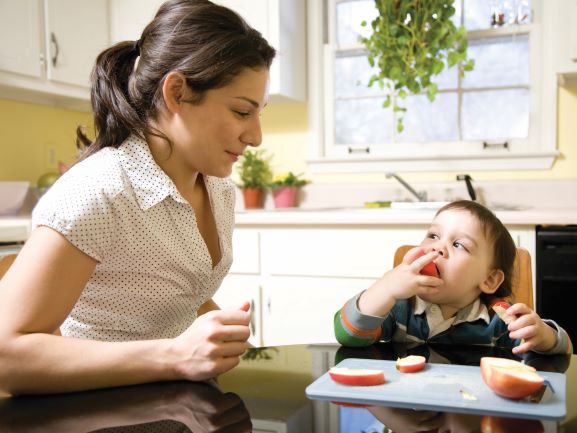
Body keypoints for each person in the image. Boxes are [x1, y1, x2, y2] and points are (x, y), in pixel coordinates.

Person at [0, 0, 275, 395]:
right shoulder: (99, 190)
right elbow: (6, 357)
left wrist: (230, 346)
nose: (256, 137)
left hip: (176, 403)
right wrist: (176, 356)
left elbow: (175, 299)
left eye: (258, 114)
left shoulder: (216, 189)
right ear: (177, 92)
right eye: (241, 112)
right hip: (98, 411)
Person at [334, 200, 572, 355]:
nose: (438, 248)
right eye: (433, 235)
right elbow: (348, 336)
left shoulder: (498, 321)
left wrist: (545, 336)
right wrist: (385, 288)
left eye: (458, 244)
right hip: (408, 412)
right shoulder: (397, 307)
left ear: (489, 280)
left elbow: (562, 355)